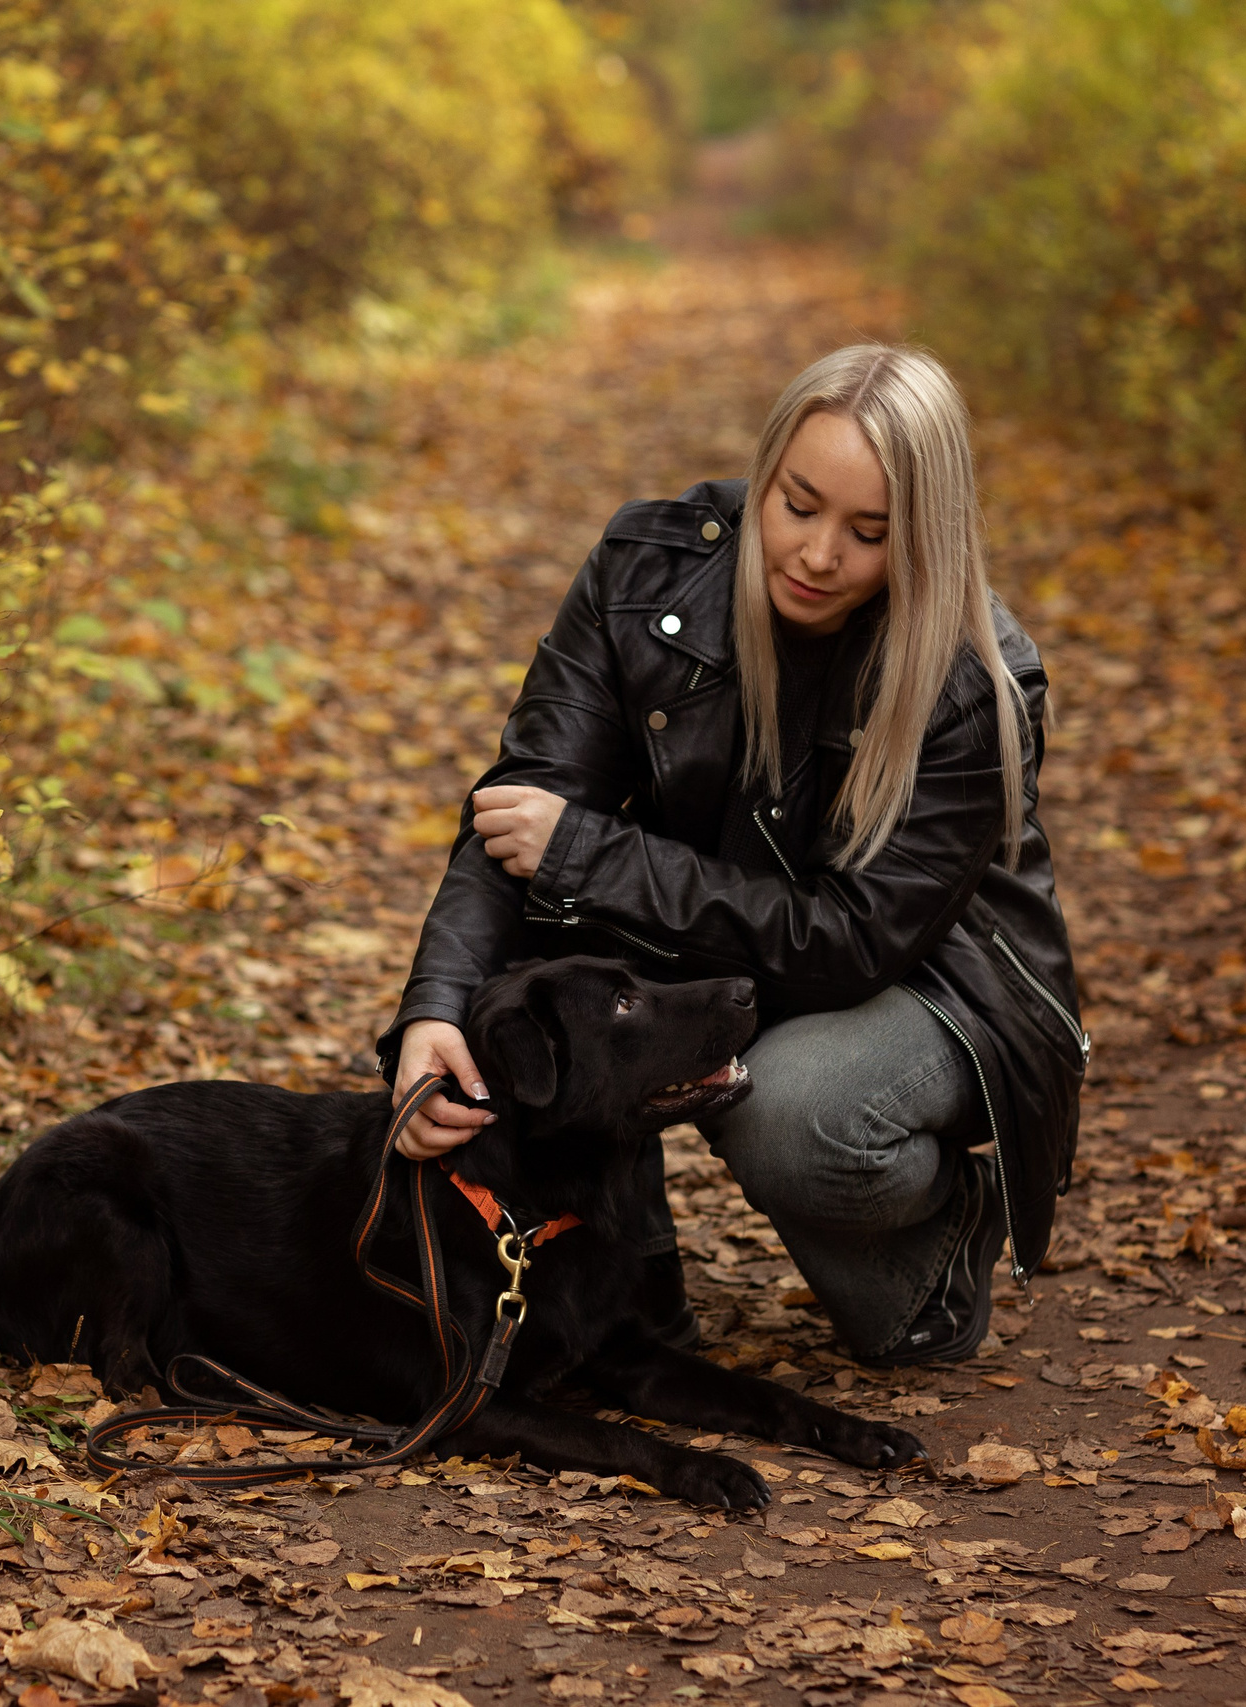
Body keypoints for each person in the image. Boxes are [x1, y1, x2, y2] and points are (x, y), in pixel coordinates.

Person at [376, 344, 1087, 1367]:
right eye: (797, 505)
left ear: (924, 538)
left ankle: (939, 1243)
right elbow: (521, 805)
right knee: (496, 1009)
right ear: (765, 469)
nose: (817, 554)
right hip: (719, 934)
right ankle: (633, 1308)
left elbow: (847, 941)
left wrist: (594, 859)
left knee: (793, 1113)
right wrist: (435, 1008)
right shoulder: (646, 566)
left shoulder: (972, 682)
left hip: (932, 993)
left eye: (869, 532)